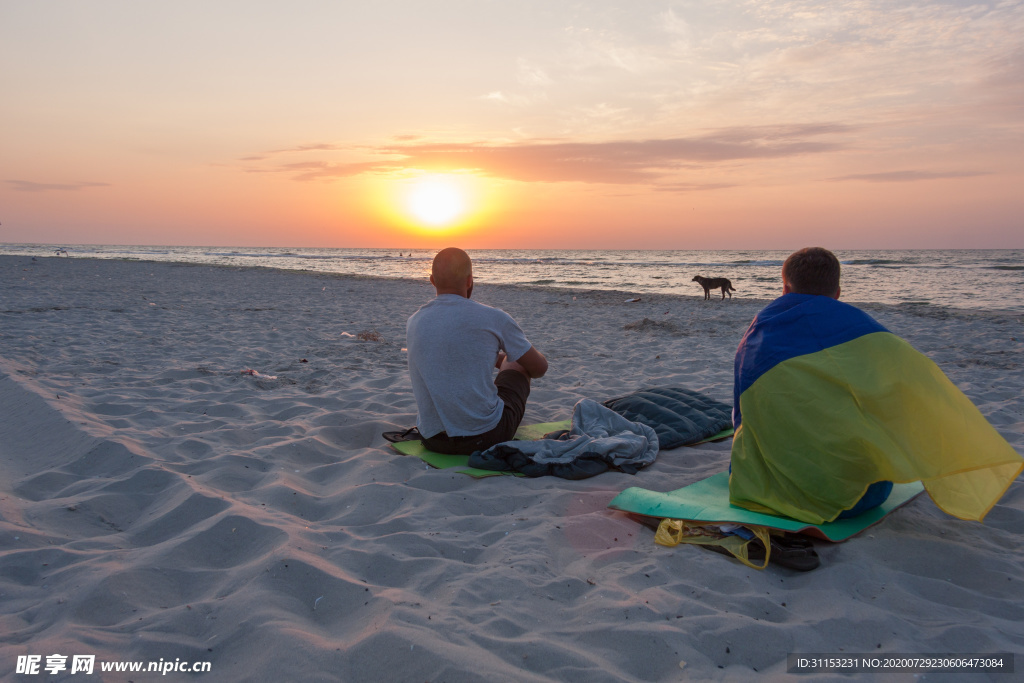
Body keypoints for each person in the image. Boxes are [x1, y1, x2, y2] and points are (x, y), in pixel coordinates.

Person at [729, 247, 1021, 525]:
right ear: (838, 294)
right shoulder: (864, 330)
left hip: (772, 492)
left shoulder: (759, 331)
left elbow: (742, 416)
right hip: (863, 498)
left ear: (785, 289)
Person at [406, 247, 548, 455]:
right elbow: (539, 369)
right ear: (469, 280)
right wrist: (510, 360)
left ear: (432, 281)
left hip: (433, 440)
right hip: (484, 437)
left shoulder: (414, 321)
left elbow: (453, 352)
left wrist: (495, 358)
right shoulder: (494, 318)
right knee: (518, 362)